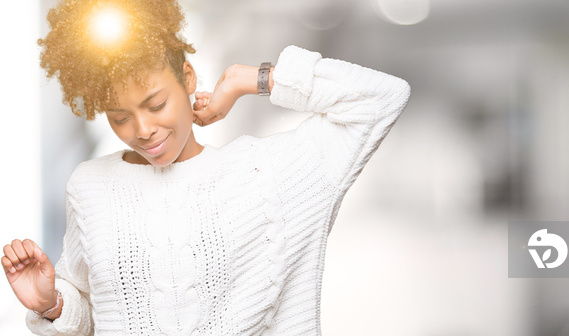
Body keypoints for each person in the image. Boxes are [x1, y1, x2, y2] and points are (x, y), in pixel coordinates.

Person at [1, 0, 410, 334]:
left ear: (188, 77)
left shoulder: (270, 173)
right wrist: (51, 303)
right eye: (119, 116)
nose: (142, 130)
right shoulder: (90, 187)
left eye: (156, 104)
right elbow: (97, 317)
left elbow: (382, 98)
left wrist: (248, 79)